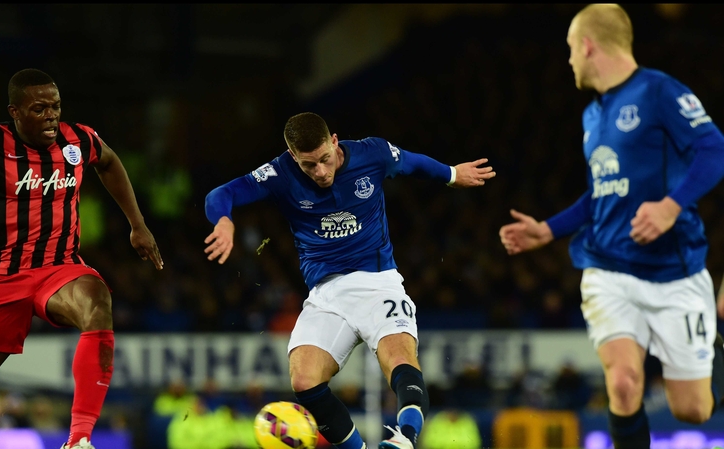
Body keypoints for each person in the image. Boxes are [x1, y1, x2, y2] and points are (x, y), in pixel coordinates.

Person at [499, 4, 724, 449]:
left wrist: (671, 207)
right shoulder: (592, 117)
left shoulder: (659, 91)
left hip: (675, 271)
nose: (568, 60)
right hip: (608, 270)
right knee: (622, 384)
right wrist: (549, 229)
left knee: (693, 409)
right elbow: (603, 194)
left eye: (569, 49)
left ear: (587, 44)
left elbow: (714, 148)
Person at [204, 112, 495, 449]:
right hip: (326, 294)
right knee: (304, 379)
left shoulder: (372, 153)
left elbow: (412, 162)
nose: (321, 172)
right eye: (309, 165)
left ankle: (406, 440)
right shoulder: (279, 173)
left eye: (325, 159)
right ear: (293, 156)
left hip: (378, 282)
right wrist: (223, 220)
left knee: (399, 358)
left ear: (334, 141)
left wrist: (451, 174)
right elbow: (220, 193)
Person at [0, 68, 164, 449]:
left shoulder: (78, 139)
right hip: (1, 278)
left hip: (60, 267)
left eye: (55, 106)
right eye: (39, 108)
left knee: (97, 301)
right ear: (15, 112)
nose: (51, 115)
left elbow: (110, 161)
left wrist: (137, 224)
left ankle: (78, 439)